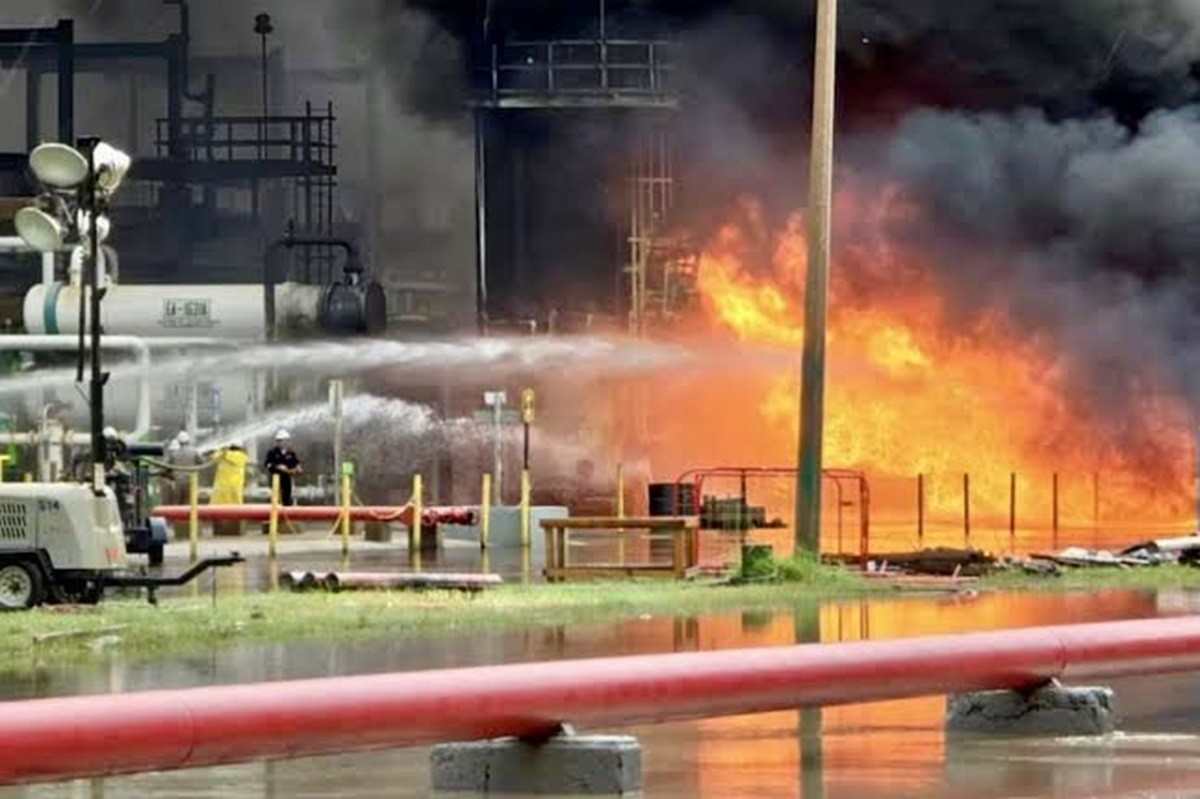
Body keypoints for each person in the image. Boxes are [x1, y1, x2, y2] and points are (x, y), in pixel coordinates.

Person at [210, 439, 249, 537]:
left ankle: (221, 530)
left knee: (219, 510)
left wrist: (221, 448)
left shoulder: (224, 454)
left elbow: (213, 456)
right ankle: (235, 530)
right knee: (236, 510)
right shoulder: (243, 457)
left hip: (221, 489)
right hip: (235, 489)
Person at [264, 429, 302, 507]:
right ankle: (276, 515)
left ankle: (286, 514)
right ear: (278, 442)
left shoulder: (291, 453)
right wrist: (278, 467)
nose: (284, 443)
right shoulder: (272, 452)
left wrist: (297, 468)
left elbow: (296, 463)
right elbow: (267, 464)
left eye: (285, 441)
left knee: (287, 498)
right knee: (276, 498)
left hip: (287, 478)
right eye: (281, 441)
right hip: (276, 478)